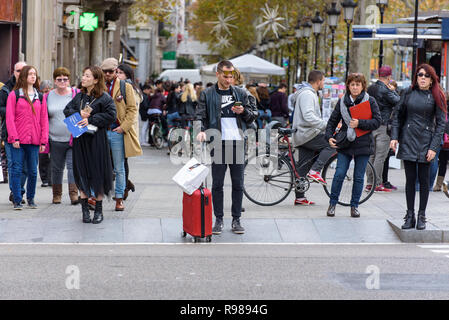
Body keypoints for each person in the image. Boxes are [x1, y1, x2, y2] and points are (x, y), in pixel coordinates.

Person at [196, 60, 258, 235]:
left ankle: (236, 219)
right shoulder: (207, 94)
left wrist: (243, 112)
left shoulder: (241, 93)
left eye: (231, 76)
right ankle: (219, 219)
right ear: (217, 74)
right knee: (217, 184)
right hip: (218, 142)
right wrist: (201, 131)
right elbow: (200, 116)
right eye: (225, 76)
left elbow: (253, 115)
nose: (229, 79)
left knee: (238, 183)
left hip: (238, 142)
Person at [390, 63, 447, 230]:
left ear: (431, 80)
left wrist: (433, 147)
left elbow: (441, 124)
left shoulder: (437, 95)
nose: (422, 77)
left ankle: (422, 215)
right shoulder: (407, 92)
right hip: (408, 139)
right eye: (420, 74)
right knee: (409, 180)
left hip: (426, 142)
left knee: (424, 180)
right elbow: (397, 116)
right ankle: (409, 215)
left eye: (426, 75)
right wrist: (394, 137)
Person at [63, 66, 116, 224]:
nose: (83, 78)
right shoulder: (79, 97)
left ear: (96, 79)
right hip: (80, 140)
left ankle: (98, 211)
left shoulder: (104, 97)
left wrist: (91, 119)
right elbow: (67, 110)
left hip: (97, 141)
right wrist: (79, 115)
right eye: (83, 75)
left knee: (98, 173)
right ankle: (85, 211)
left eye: (87, 76)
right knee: (82, 172)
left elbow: (111, 115)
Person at [325, 73, 382, 218]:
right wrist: (329, 137)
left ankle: (354, 206)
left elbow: (377, 121)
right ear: (348, 86)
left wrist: (360, 123)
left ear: (363, 86)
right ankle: (332, 204)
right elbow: (332, 121)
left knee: (358, 177)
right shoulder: (342, 101)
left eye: (358, 84)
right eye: (352, 85)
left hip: (363, 144)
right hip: (345, 143)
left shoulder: (371, 101)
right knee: (339, 174)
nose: (355, 87)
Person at [6, 65, 49, 210]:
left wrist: (44, 140)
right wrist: (14, 138)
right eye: (30, 74)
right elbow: (10, 118)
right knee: (17, 169)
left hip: (34, 140)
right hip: (18, 139)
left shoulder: (40, 96)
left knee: (33, 171)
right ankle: (17, 199)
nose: (33, 76)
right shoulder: (14, 95)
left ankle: (31, 198)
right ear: (24, 77)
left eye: (35, 74)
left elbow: (44, 120)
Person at [101, 58, 141, 211]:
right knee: (100, 166)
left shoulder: (125, 87)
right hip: (102, 131)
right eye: (105, 72)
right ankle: (94, 196)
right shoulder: (98, 86)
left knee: (119, 168)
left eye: (111, 72)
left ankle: (119, 198)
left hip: (117, 131)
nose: (108, 75)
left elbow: (132, 109)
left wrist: (123, 127)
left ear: (116, 71)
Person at [292, 70, 334, 205]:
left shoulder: (307, 93)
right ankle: (316, 171)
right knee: (332, 144)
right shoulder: (308, 94)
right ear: (318, 81)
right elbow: (308, 116)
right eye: (323, 81)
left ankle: (300, 198)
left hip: (303, 134)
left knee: (303, 167)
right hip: (307, 134)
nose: (324, 84)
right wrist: (325, 125)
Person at [44, 67, 80, 205]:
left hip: (73, 137)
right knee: (56, 168)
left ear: (69, 80)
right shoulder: (48, 96)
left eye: (65, 79)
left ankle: (73, 194)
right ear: (54, 81)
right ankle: (57, 194)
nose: (62, 81)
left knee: (72, 167)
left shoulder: (75, 94)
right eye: (59, 79)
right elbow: (44, 117)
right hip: (54, 138)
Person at [366, 66, 400, 192]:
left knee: (371, 155)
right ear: (389, 77)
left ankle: (369, 182)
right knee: (380, 156)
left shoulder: (371, 88)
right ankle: (377, 183)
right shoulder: (386, 90)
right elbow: (399, 102)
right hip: (383, 126)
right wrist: (393, 91)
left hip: (371, 125)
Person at [0, 61, 28, 204]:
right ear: (14, 72)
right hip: (11, 132)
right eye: (18, 71)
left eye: (24, 70)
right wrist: (15, 111)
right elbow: (1, 108)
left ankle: (19, 191)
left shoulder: (33, 89)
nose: (21, 73)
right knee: (14, 164)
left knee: (26, 166)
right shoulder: (5, 89)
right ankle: (16, 192)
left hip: (29, 133)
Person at [116, 63, 143, 201]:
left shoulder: (130, 89)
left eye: (120, 73)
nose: (117, 75)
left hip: (127, 130)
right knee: (117, 161)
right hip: (118, 129)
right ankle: (126, 183)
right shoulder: (116, 87)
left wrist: (123, 127)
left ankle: (125, 187)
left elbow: (132, 112)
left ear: (127, 75)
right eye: (116, 72)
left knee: (122, 161)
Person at [381, 80, 399, 190]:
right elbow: (399, 102)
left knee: (385, 156)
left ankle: (383, 180)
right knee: (383, 156)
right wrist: (393, 92)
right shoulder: (387, 94)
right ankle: (382, 181)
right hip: (386, 127)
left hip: (388, 127)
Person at [38, 80, 53, 188]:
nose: (45, 93)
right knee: (43, 156)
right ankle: (45, 179)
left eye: (47, 91)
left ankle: (52, 178)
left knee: (54, 157)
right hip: (42, 131)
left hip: (53, 130)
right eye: (43, 91)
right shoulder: (39, 98)